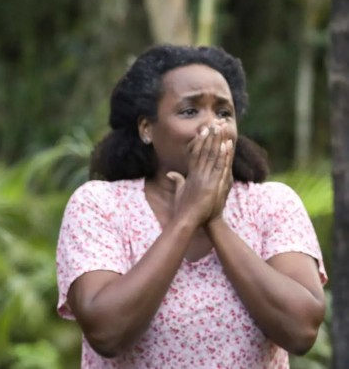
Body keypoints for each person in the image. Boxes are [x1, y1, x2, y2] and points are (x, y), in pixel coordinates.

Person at [56, 44, 327, 368]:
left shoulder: (271, 205)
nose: (213, 126)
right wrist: (187, 218)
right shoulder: (100, 205)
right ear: (147, 128)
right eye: (190, 111)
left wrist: (213, 221)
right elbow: (107, 332)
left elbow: (301, 330)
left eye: (224, 112)